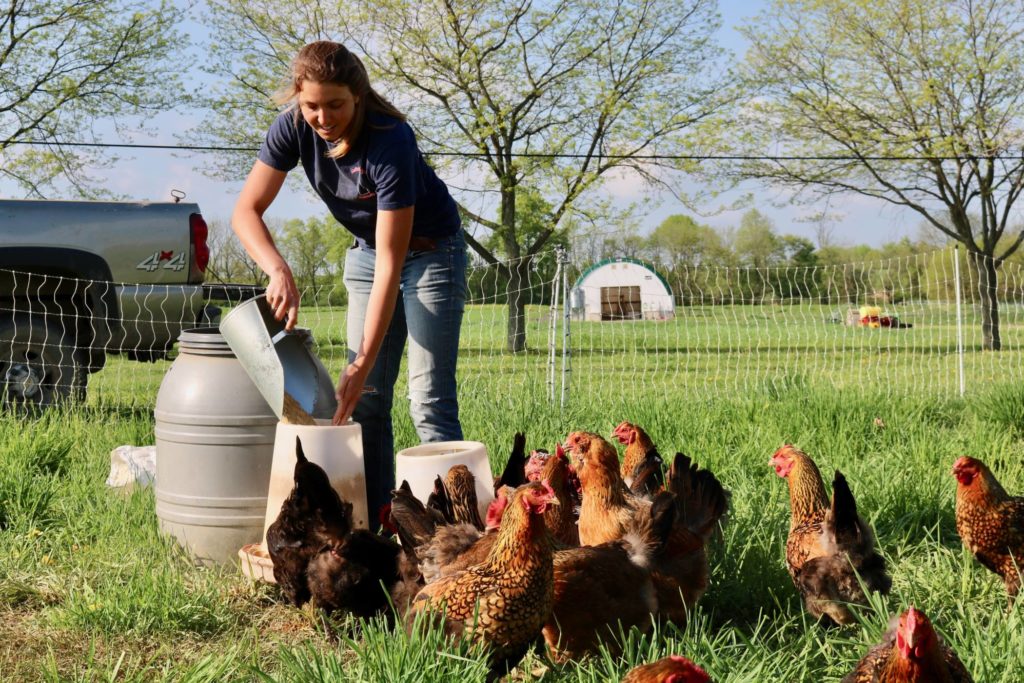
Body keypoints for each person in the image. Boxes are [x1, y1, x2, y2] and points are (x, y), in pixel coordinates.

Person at [231, 41, 467, 525]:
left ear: (358, 96)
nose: (323, 116)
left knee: (428, 399)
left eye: (335, 104)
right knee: (365, 404)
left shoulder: (390, 140)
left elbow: (391, 263)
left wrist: (362, 359)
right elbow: (245, 212)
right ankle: (382, 525)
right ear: (298, 98)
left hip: (429, 255)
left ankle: (452, 539)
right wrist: (278, 268)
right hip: (366, 254)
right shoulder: (294, 127)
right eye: (311, 105)